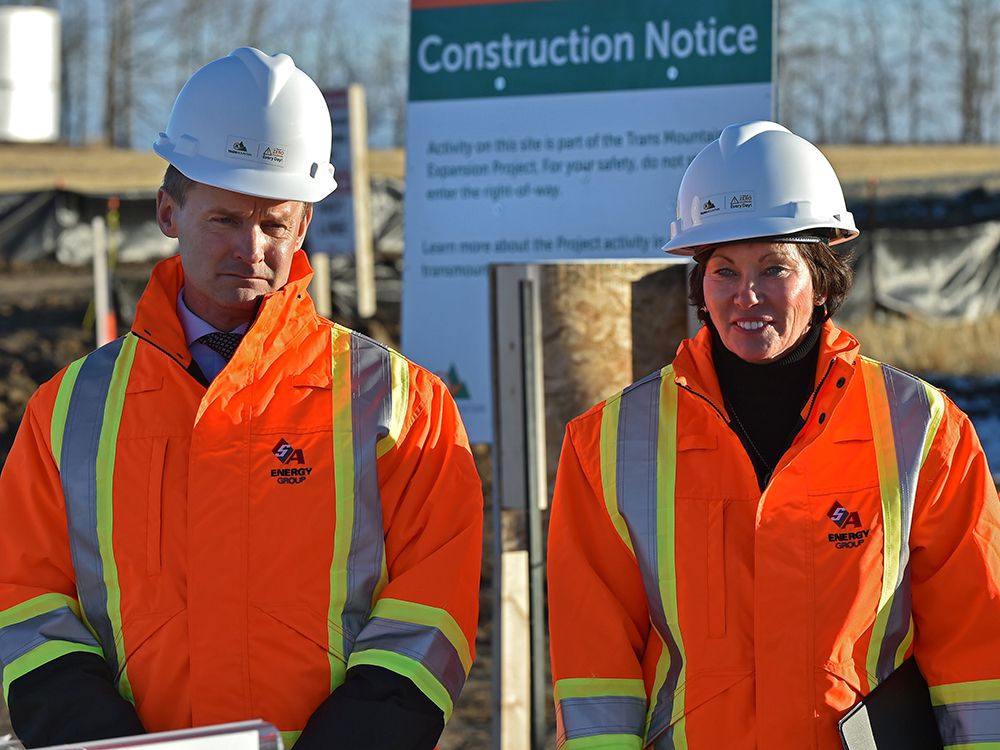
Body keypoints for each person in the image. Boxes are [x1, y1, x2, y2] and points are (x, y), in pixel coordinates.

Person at [0, 47, 483, 749]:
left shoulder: (402, 404)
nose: (251, 249)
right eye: (224, 219)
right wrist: (95, 739)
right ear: (169, 211)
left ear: (304, 226)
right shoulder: (67, 412)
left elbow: (432, 606)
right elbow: (25, 596)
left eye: (274, 224)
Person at [547, 120, 1000, 749]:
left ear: (821, 279)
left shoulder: (922, 429)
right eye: (723, 270)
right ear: (698, 284)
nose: (747, 296)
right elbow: (595, 663)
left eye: (775, 268)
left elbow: (977, 645)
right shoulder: (609, 443)